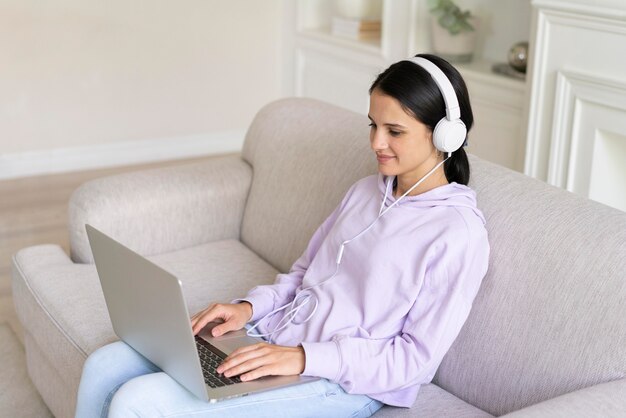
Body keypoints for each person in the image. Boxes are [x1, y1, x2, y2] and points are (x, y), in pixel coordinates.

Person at [75, 53, 490, 418]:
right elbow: (303, 274)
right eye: (373, 125)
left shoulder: (458, 234)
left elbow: (414, 361)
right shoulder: (366, 191)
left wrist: (303, 357)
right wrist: (247, 308)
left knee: (137, 401)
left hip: (342, 383)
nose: (376, 142)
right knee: (105, 365)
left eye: (394, 131)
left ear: (444, 135)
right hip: (274, 337)